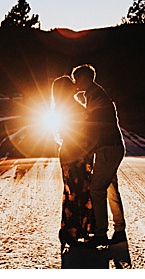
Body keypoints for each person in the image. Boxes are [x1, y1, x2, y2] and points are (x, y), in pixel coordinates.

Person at [71, 64, 127, 247]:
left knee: (96, 189)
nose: (75, 83)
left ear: (85, 79)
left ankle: (101, 233)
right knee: (110, 188)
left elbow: (92, 124)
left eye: (76, 79)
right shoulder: (97, 94)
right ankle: (119, 230)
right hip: (113, 147)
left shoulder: (94, 95)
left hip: (107, 148)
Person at [51, 75, 96, 250]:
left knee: (73, 193)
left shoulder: (62, 108)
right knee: (80, 192)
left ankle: (73, 231)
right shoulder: (73, 107)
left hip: (71, 153)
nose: (75, 87)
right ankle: (77, 230)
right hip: (76, 153)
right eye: (71, 86)